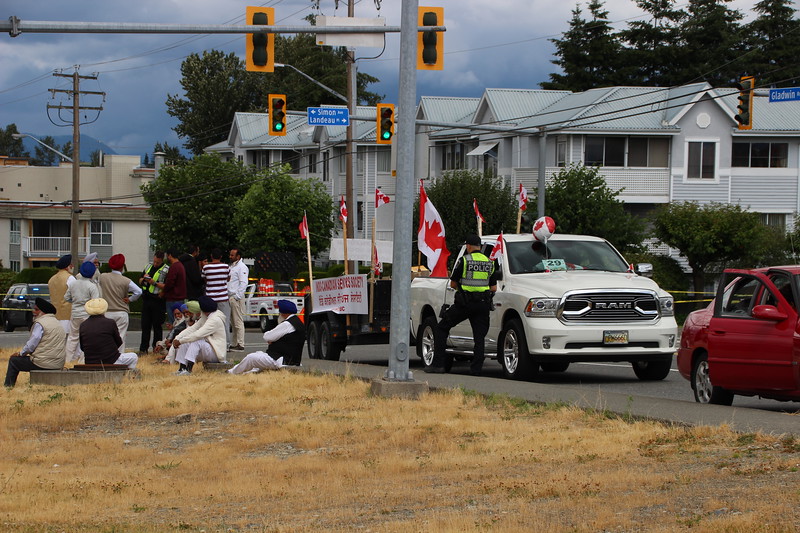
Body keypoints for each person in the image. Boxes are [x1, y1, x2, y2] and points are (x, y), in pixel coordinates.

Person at [425, 234, 497, 376]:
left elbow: (453, 283)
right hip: (483, 304)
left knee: (441, 328)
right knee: (479, 338)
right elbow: (493, 288)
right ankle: (476, 370)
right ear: (480, 247)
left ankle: (438, 365)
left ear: (468, 246)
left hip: (465, 304)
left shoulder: (465, 261)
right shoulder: (490, 262)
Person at [228, 299, 306, 374]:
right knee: (257, 358)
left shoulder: (287, 324)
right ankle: (238, 372)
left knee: (251, 358)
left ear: (283, 313)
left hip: (280, 359)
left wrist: (273, 340)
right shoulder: (297, 323)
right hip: (291, 359)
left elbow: (267, 336)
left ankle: (232, 372)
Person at [3, 298, 67, 388]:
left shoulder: (40, 323)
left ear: (43, 312)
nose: (34, 312)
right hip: (58, 363)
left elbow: (32, 344)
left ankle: (8, 386)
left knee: (14, 361)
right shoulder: (57, 323)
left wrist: (21, 353)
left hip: (43, 363)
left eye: (36, 310)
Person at [173, 295, 227, 375]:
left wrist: (180, 341)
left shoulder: (215, 320)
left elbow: (198, 335)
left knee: (197, 341)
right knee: (186, 342)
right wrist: (177, 338)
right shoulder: (206, 316)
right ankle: (182, 369)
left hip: (216, 353)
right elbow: (192, 329)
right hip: (208, 349)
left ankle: (188, 370)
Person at [99, 253, 142, 353]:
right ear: (122, 266)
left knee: (106, 336)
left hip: (106, 312)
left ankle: (106, 356)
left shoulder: (103, 277)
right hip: (121, 312)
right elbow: (139, 291)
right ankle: (118, 358)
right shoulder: (126, 280)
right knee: (120, 337)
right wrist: (130, 299)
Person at [79, 298, 138, 369]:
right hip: (110, 360)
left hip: (90, 362)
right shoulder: (110, 323)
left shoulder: (83, 325)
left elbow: (82, 347)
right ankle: (128, 376)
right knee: (134, 356)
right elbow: (119, 342)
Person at [64, 261, 101, 363]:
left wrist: (75, 301)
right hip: (87, 315)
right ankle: (82, 360)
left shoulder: (73, 284)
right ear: (93, 273)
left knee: (72, 337)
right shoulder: (92, 286)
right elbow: (95, 302)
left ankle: (67, 360)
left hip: (75, 314)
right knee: (87, 338)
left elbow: (66, 297)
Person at [138, 251, 169, 354]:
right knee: (145, 325)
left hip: (158, 301)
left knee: (157, 326)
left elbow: (167, 286)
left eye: (158, 262)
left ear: (162, 260)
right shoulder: (148, 266)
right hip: (146, 299)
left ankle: (156, 348)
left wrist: (154, 283)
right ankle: (143, 349)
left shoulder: (166, 270)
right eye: (154, 261)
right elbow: (140, 279)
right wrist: (144, 280)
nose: (155, 264)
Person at [202, 248, 231, 347]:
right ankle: (226, 344)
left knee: (209, 322)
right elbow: (228, 278)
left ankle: (210, 344)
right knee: (225, 321)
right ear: (221, 256)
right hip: (223, 297)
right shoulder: (226, 266)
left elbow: (204, 279)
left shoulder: (206, 268)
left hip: (210, 299)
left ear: (211, 256)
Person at [157, 249, 186, 325]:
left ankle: (173, 336)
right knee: (180, 321)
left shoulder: (174, 267)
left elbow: (169, 283)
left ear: (170, 255)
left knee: (174, 322)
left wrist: (163, 292)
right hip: (180, 297)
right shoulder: (181, 265)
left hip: (173, 298)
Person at [228, 246, 249, 351]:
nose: (230, 256)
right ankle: (235, 342)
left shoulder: (242, 267)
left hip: (236, 297)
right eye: (230, 254)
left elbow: (244, 283)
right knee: (233, 321)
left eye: (232, 255)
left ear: (238, 256)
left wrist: (237, 297)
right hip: (231, 297)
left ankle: (240, 343)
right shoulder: (232, 266)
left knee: (238, 321)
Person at [48, 253, 75, 334]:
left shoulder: (51, 279)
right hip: (68, 315)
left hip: (55, 315)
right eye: (71, 265)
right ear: (67, 266)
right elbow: (76, 295)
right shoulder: (70, 278)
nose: (72, 266)